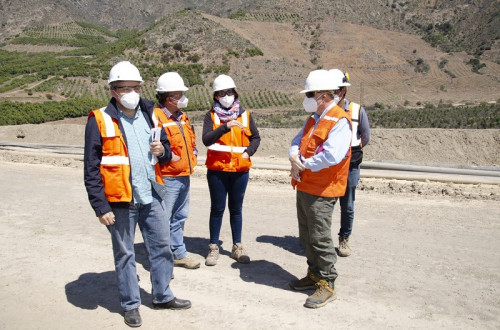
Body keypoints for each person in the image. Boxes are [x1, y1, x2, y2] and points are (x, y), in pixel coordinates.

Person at [84, 61, 191, 328]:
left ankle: (162, 295)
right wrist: (101, 207)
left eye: (136, 87)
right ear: (113, 90)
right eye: (125, 88)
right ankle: (131, 304)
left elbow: (166, 149)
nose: (132, 92)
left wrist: (162, 151)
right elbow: (91, 168)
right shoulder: (99, 120)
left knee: (162, 247)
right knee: (125, 254)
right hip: (120, 201)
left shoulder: (150, 113)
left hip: (152, 195)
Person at [288, 69, 352, 309]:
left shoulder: (339, 120)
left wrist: (302, 165)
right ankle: (314, 274)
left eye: (311, 94)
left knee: (320, 237)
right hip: (305, 185)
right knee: (306, 235)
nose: (307, 98)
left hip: (323, 190)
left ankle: (327, 283)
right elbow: (297, 141)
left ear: (324, 95)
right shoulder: (314, 118)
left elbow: (332, 156)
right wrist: (295, 156)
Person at [202, 74, 261, 266]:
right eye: (221, 93)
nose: (226, 96)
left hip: (240, 170)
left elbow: (256, 138)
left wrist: (248, 153)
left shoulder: (245, 115)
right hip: (217, 171)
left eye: (229, 92)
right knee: (217, 209)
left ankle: (237, 246)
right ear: (216, 96)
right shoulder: (211, 116)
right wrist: (225, 127)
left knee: (236, 209)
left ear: (235, 93)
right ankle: (213, 247)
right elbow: (207, 139)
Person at [152, 72, 200, 269]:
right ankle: (163, 260)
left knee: (179, 217)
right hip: (167, 177)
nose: (183, 97)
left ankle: (178, 253)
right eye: (179, 94)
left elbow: (190, 141)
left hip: (184, 175)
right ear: (168, 97)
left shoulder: (182, 117)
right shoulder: (156, 117)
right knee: (163, 219)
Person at [329, 69, 371, 257]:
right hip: (329, 165)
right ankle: (321, 240)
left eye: (337, 90)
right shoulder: (325, 112)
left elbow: (365, 136)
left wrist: (349, 150)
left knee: (347, 205)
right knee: (325, 203)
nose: (334, 94)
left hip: (351, 164)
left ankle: (344, 238)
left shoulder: (356, 110)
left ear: (344, 91)